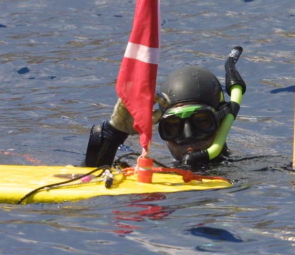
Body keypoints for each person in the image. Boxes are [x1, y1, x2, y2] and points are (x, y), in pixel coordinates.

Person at [85, 48, 246, 168]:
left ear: (222, 120)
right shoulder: (149, 171)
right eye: (173, 127)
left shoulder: (254, 172)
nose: (188, 138)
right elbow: (85, 181)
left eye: (202, 122)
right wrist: (114, 134)